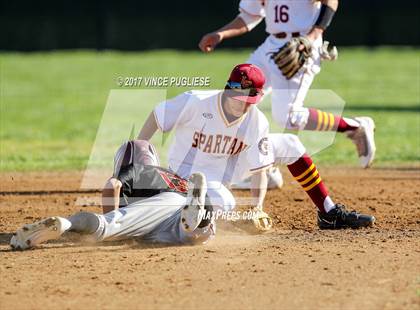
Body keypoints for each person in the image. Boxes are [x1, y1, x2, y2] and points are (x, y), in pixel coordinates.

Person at [137, 64, 375, 229]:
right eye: (237, 98)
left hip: (230, 166)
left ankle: (329, 213)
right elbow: (158, 116)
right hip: (189, 172)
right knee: (226, 202)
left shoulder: (256, 120)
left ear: (258, 97)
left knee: (290, 143)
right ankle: (178, 206)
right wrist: (140, 154)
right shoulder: (196, 101)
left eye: (247, 101)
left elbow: (260, 169)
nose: (241, 105)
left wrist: (256, 208)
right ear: (228, 88)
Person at [198, 0, 376, 169]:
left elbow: (331, 1)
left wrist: (312, 37)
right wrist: (220, 34)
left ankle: (355, 127)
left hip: (301, 47)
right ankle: (263, 169)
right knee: (237, 99)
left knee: (288, 116)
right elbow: (249, 17)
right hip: (270, 46)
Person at [10, 140, 214, 251]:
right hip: (180, 204)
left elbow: (112, 185)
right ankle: (201, 217)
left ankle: (67, 224)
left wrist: (112, 220)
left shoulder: (135, 169)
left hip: (162, 204)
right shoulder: (170, 174)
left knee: (106, 226)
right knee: (195, 236)